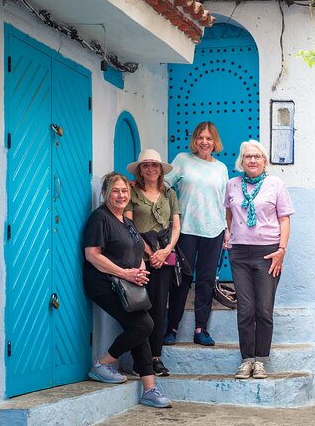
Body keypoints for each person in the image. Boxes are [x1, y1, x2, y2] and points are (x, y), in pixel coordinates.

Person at [82, 172, 172, 408]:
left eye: (124, 191)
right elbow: (92, 255)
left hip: (127, 284)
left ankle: (149, 389)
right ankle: (104, 363)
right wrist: (124, 273)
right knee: (144, 325)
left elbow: (137, 250)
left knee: (140, 327)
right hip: (104, 283)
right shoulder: (100, 218)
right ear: (105, 193)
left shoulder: (128, 222)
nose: (121, 195)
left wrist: (140, 270)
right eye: (115, 191)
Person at [224, 140, 295, 379]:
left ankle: (261, 360)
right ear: (241, 161)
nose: (252, 160)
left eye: (257, 156)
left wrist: (282, 250)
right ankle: (247, 360)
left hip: (269, 253)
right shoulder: (232, 185)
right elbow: (229, 213)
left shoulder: (275, 184)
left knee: (264, 309)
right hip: (240, 254)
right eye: (247, 156)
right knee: (245, 309)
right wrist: (228, 235)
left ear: (265, 161)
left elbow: (284, 219)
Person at [164, 122, 229, 347]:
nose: (204, 142)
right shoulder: (183, 160)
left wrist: (227, 230)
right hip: (186, 228)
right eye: (201, 137)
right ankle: (171, 327)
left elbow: (223, 202)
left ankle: (201, 328)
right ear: (195, 139)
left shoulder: (221, 168)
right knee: (182, 279)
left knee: (206, 280)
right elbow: (165, 185)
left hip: (214, 229)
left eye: (209, 138)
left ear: (215, 142)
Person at [125, 149, 180, 377]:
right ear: (140, 169)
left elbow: (176, 226)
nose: (150, 169)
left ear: (160, 170)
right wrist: (149, 252)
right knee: (140, 310)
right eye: (146, 165)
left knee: (158, 308)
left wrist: (165, 251)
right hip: (140, 260)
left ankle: (155, 357)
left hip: (163, 260)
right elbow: (128, 225)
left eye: (154, 165)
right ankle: (140, 360)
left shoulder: (169, 193)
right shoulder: (131, 192)